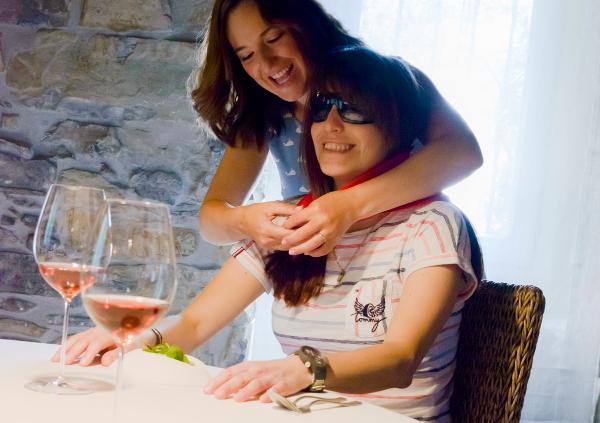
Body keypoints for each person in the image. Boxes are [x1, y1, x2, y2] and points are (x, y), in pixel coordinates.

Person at [57, 46, 483, 422]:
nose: (331, 124)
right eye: (321, 108)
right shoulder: (287, 222)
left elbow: (400, 359)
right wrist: (129, 337)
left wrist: (302, 369)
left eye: (354, 109)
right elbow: (195, 322)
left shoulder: (432, 224)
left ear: (398, 126)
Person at [194, 0, 482, 257]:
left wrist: (348, 206)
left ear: (305, 23)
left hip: (411, 260)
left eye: (274, 37)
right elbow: (211, 220)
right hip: (327, 282)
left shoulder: (386, 79)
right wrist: (244, 221)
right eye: (246, 56)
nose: (266, 63)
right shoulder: (264, 115)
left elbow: (464, 153)